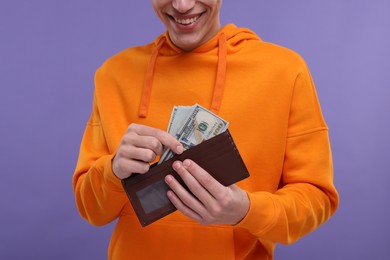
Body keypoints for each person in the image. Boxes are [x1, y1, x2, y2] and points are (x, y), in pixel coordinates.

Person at [73, 0, 339, 259]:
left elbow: (316, 198)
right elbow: (91, 210)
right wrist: (113, 172)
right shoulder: (113, 75)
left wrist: (246, 211)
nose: (182, 6)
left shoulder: (285, 71)